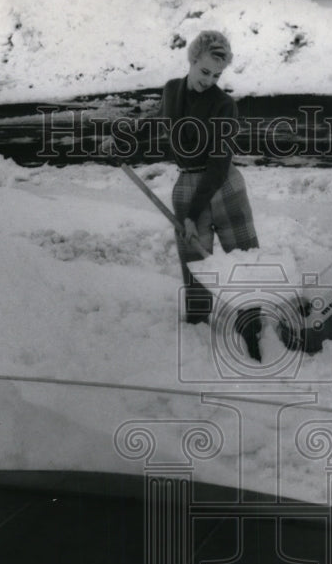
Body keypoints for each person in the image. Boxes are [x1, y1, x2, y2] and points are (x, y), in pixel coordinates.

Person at [104, 30, 261, 345]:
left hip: (224, 185)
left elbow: (218, 164)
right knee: (196, 266)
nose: (209, 80)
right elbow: (159, 123)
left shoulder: (223, 105)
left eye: (216, 75)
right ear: (192, 60)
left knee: (242, 259)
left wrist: (192, 213)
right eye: (204, 71)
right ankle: (199, 333)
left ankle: (255, 329)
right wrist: (123, 141)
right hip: (187, 183)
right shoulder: (173, 90)